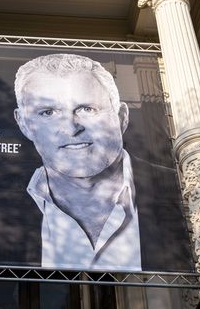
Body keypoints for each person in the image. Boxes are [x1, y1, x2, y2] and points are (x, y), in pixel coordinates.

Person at [13, 53, 141, 270]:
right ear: (24, 124)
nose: (71, 128)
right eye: (48, 112)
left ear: (121, 117)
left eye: (86, 109)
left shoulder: (172, 189)